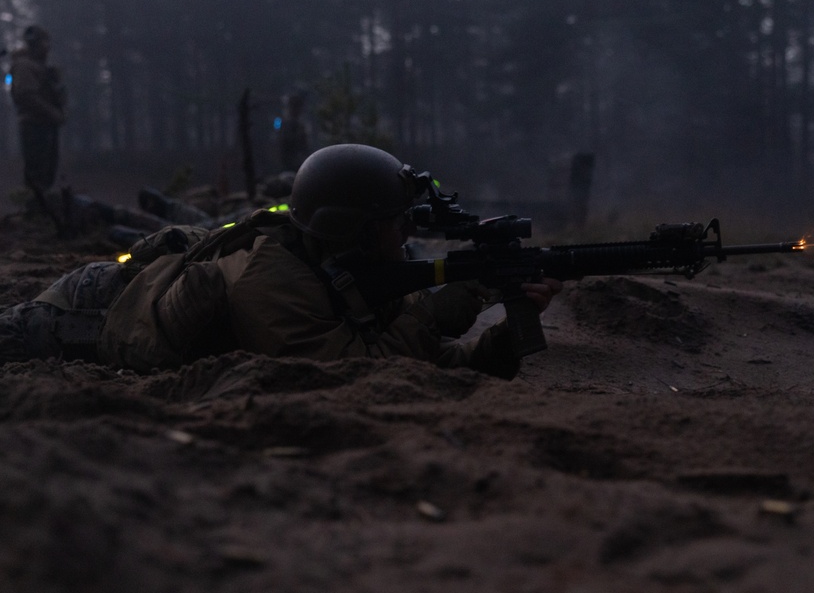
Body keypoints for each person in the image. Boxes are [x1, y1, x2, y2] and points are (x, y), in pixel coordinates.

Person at [0, 144, 563, 379]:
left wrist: (504, 334)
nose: (409, 232)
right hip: (88, 309)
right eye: (399, 222)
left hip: (137, 285)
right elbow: (361, 371)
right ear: (354, 232)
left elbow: (442, 356)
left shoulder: (342, 265)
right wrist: (465, 294)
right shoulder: (273, 286)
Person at [9, 25, 66, 193]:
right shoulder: (25, 66)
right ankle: (34, 213)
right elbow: (26, 97)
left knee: (47, 174)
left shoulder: (39, 66)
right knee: (37, 176)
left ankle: (40, 212)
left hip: (45, 125)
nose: (47, 46)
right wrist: (54, 114)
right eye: (44, 42)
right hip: (35, 126)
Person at [277, 91, 311, 173]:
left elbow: (305, 145)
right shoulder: (285, 124)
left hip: (300, 163)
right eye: (294, 106)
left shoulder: (301, 125)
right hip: (289, 164)